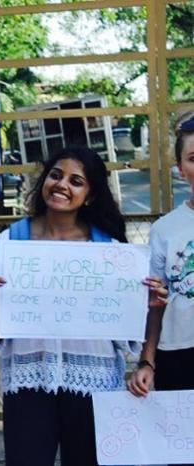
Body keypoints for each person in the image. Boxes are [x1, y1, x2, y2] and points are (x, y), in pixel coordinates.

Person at [0, 146, 165, 466]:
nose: (62, 184)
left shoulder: (111, 252)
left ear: (91, 195)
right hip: (29, 382)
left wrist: (144, 305)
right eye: (56, 175)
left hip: (93, 385)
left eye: (76, 180)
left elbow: (128, 332)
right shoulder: (9, 244)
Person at [128, 117, 194, 464]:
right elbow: (155, 305)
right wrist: (147, 361)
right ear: (180, 168)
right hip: (178, 356)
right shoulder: (165, 230)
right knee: (181, 453)